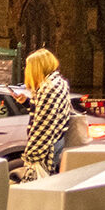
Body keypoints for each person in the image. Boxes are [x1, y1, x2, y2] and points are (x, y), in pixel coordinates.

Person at [21, 48, 72, 180]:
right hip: (55, 143)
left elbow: (44, 125)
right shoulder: (59, 83)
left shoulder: (49, 88)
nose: (26, 70)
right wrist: (27, 102)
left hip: (47, 149)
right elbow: (46, 111)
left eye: (28, 67)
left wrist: (32, 156)